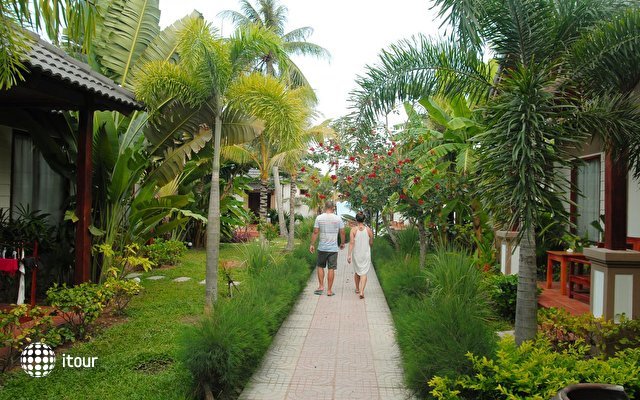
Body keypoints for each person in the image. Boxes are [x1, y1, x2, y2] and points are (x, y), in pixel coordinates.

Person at [309, 200, 345, 296]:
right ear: (333, 207)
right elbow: (342, 232)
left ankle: (321, 286)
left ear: (325, 207)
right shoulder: (338, 219)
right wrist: (342, 243)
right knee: (331, 268)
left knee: (320, 266)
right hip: (333, 249)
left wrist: (312, 244)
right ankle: (329, 290)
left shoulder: (319, 218)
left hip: (322, 247)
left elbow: (315, 232)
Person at [347, 211, 373, 299]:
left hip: (356, 254)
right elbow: (371, 242)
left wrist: (349, 255)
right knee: (364, 272)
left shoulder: (353, 230)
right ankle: (362, 291)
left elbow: (351, 243)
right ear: (364, 219)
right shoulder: (368, 229)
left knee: (357, 271)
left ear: (356, 219)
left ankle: (357, 289)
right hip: (365, 253)